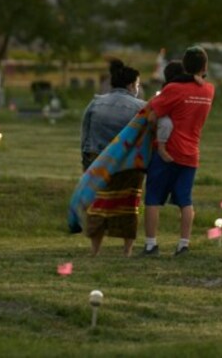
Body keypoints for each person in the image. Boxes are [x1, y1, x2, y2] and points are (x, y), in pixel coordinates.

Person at [143, 46, 215, 256]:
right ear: (204, 67)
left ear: (184, 65)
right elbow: (197, 80)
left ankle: (151, 244)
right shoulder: (209, 90)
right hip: (191, 152)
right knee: (185, 200)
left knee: (153, 198)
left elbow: (153, 115)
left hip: (168, 150)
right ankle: (183, 244)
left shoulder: (174, 89)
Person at [80, 59, 145, 257]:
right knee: (128, 206)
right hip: (127, 165)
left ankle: (95, 250)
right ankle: (127, 251)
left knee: (98, 205)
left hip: (97, 161)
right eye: (138, 84)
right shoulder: (141, 107)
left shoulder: (96, 102)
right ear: (131, 84)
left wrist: (85, 162)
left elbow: (85, 134)